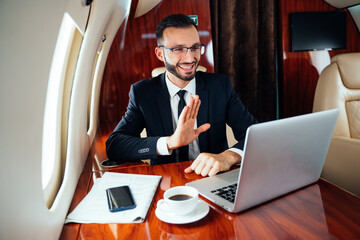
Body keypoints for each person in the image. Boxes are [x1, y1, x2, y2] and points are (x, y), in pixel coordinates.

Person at [106, 14, 257, 177]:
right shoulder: (143, 93)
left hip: (214, 177)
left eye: (195, 47)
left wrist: (228, 156)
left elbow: (254, 135)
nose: (190, 58)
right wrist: (170, 142)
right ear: (159, 54)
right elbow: (115, 145)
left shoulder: (220, 87)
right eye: (178, 49)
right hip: (167, 181)